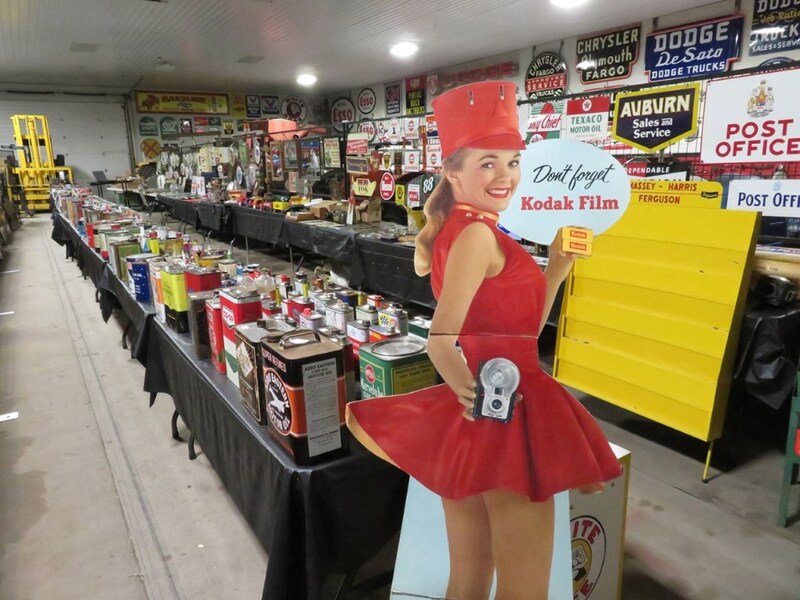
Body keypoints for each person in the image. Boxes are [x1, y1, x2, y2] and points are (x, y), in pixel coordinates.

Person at [346, 81, 621, 600]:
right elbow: (440, 340)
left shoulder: (465, 229)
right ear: (453, 172)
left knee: (468, 579)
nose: (505, 175)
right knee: (525, 589)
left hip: (482, 416)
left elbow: (520, 333)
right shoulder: (476, 235)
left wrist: (556, 271)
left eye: (513, 162)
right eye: (488, 163)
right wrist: (479, 401)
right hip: (506, 415)